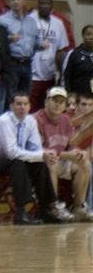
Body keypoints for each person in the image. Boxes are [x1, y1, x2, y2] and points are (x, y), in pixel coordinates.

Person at [0, 93, 71, 225]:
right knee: (18, 164)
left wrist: (46, 155)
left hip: (9, 160)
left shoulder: (30, 121)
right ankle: (21, 211)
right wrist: (39, 155)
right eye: (18, 104)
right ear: (11, 106)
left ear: (30, 106)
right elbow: (12, 152)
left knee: (40, 164)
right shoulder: (4, 122)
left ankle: (45, 209)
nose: (22, 107)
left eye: (25, 104)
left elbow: (35, 148)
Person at [34, 87, 93, 222]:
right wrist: (68, 155)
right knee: (51, 162)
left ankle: (79, 207)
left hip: (60, 160)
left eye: (61, 102)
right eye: (54, 100)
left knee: (84, 162)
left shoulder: (66, 120)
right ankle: (53, 207)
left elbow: (71, 145)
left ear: (65, 105)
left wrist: (79, 153)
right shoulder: (36, 120)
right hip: (39, 163)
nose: (57, 104)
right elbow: (39, 150)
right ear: (46, 102)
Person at [0, 0, 40, 101]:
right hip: (12, 64)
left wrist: (40, 45)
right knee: (11, 99)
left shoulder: (31, 21)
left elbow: (34, 43)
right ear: (9, 2)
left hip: (27, 64)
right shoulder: (2, 20)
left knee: (25, 98)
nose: (16, 2)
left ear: (23, 1)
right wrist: (9, 39)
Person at [29, 0, 69, 112]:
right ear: (38, 5)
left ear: (52, 6)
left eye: (47, 3)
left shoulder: (58, 23)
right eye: (42, 3)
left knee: (46, 110)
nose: (44, 6)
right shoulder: (30, 19)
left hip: (49, 75)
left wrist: (60, 73)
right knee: (31, 110)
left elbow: (61, 50)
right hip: (31, 75)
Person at [63, 25, 93, 97]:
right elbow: (67, 75)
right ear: (83, 36)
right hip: (77, 94)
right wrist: (69, 93)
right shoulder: (74, 53)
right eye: (88, 34)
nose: (91, 37)